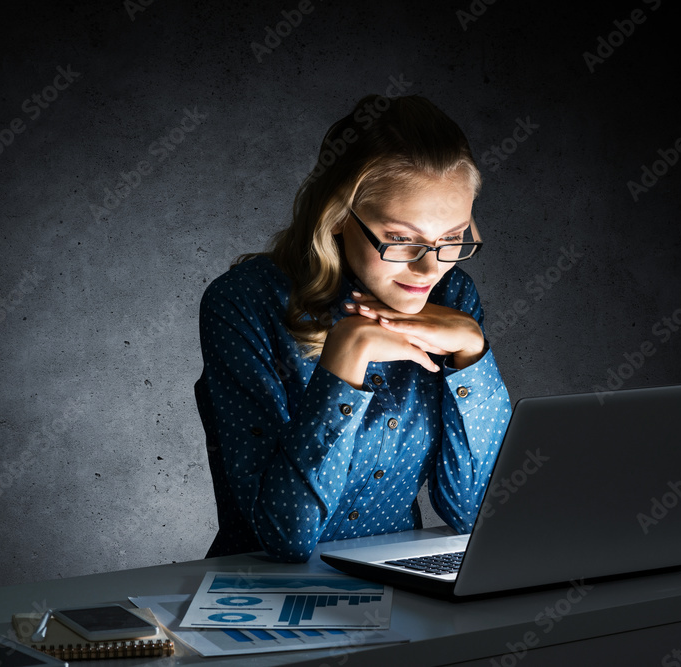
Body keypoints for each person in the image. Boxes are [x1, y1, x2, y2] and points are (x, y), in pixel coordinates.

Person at [194, 94, 512, 562]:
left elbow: (476, 516)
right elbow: (286, 539)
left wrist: (473, 357)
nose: (429, 269)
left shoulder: (454, 299)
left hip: (401, 589)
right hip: (264, 598)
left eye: (452, 239)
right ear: (340, 215)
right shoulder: (242, 303)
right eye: (401, 239)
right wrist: (344, 361)